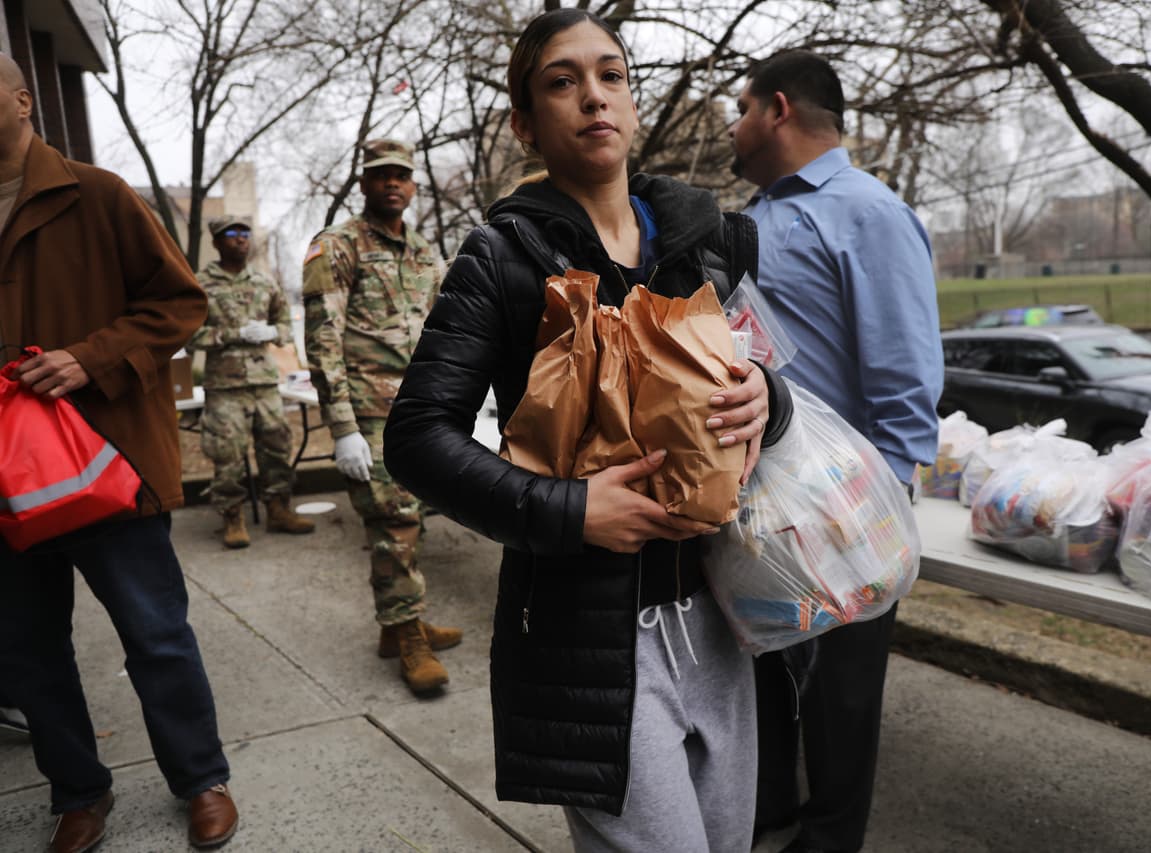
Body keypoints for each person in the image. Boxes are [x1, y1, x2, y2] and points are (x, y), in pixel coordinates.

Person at [383, 10, 794, 852]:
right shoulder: (500, 256)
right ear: (525, 124)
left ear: (635, 105)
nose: (593, 99)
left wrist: (768, 398)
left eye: (611, 76)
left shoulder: (707, 241)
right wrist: (567, 511)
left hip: (724, 613)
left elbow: (769, 371)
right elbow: (417, 435)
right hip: (592, 638)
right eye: (562, 82)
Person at [0, 56, 238, 852]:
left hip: (106, 463)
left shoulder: (96, 195)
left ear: (23, 99)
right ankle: (78, 794)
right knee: (30, 649)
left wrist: (89, 357)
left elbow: (181, 302)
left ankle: (201, 779)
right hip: (6, 482)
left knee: (155, 632)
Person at [729, 50, 943, 853]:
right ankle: (768, 814)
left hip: (845, 509)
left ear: (777, 109)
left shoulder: (866, 211)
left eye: (741, 108)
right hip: (762, 505)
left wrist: (874, 508)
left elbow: (905, 372)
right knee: (770, 681)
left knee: (842, 702)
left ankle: (828, 842)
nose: (733, 125)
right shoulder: (753, 217)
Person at [302, 138, 461, 694]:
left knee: (411, 517)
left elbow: (445, 328)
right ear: (363, 183)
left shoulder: (421, 251)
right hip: (370, 414)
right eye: (380, 175)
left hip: (422, 410)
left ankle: (402, 624)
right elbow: (323, 338)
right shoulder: (337, 245)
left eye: (401, 175)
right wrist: (342, 428)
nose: (392, 183)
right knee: (394, 523)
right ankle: (406, 636)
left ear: (413, 185)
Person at [188, 215, 315, 548]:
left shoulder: (264, 281)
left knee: (277, 447)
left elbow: (285, 322)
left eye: (245, 232)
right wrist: (232, 334)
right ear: (216, 241)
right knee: (227, 454)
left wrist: (274, 332)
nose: (240, 238)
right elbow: (189, 334)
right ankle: (232, 518)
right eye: (231, 233)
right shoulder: (199, 284)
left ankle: (278, 510)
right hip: (224, 385)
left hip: (263, 381)